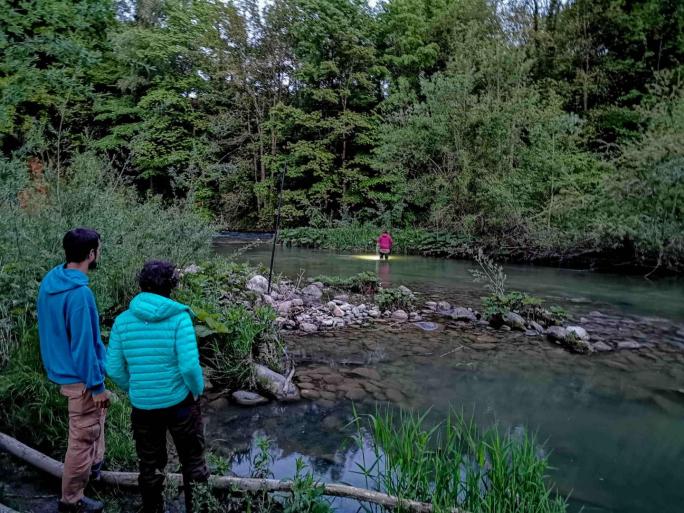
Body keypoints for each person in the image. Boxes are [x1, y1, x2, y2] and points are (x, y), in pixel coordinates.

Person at [106, 260, 208, 513]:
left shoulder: (122, 321)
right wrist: (197, 390)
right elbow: (189, 367)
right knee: (193, 462)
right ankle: (198, 508)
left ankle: (153, 509)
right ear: (170, 286)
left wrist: (134, 387)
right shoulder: (179, 318)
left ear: (142, 284)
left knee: (150, 464)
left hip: (143, 405)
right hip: (180, 404)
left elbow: (114, 368)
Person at [37, 228, 108, 513]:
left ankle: (96, 467)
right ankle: (72, 500)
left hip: (60, 367)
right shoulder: (79, 295)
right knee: (81, 437)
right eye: (98, 250)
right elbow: (84, 347)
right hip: (79, 377)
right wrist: (97, 385)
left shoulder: (52, 280)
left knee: (95, 421)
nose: (98, 253)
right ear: (91, 254)